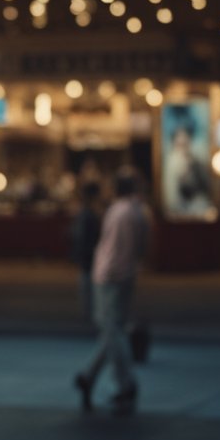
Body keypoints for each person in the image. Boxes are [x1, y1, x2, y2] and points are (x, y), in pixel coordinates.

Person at [73, 171, 148, 416]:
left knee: (111, 328)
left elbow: (111, 248)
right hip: (126, 274)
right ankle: (89, 375)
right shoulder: (138, 211)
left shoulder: (117, 211)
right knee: (113, 328)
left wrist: (103, 274)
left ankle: (126, 383)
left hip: (110, 276)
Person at [68, 181, 102, 322]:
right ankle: (90, 316)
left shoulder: (85, 212)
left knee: (88, 285)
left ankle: (89, 314)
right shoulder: (88, 213)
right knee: (89, 286)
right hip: (89, 255)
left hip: (87, 255)